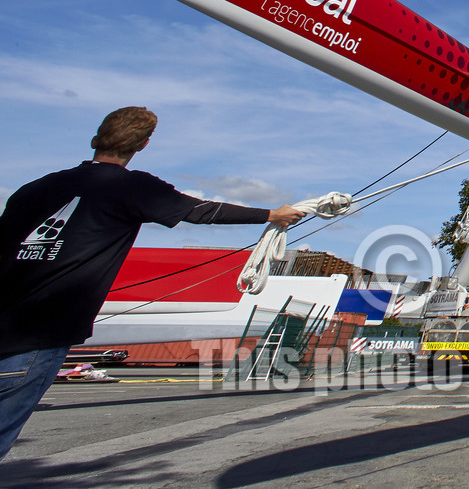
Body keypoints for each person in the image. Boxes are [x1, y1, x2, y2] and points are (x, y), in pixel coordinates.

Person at [0, 106, 306, 459]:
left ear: (95, 138)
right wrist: (272, 215)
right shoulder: (133, 187)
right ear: (143, 145)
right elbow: (200, 211)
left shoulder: (34, 188)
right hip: (40, 335)